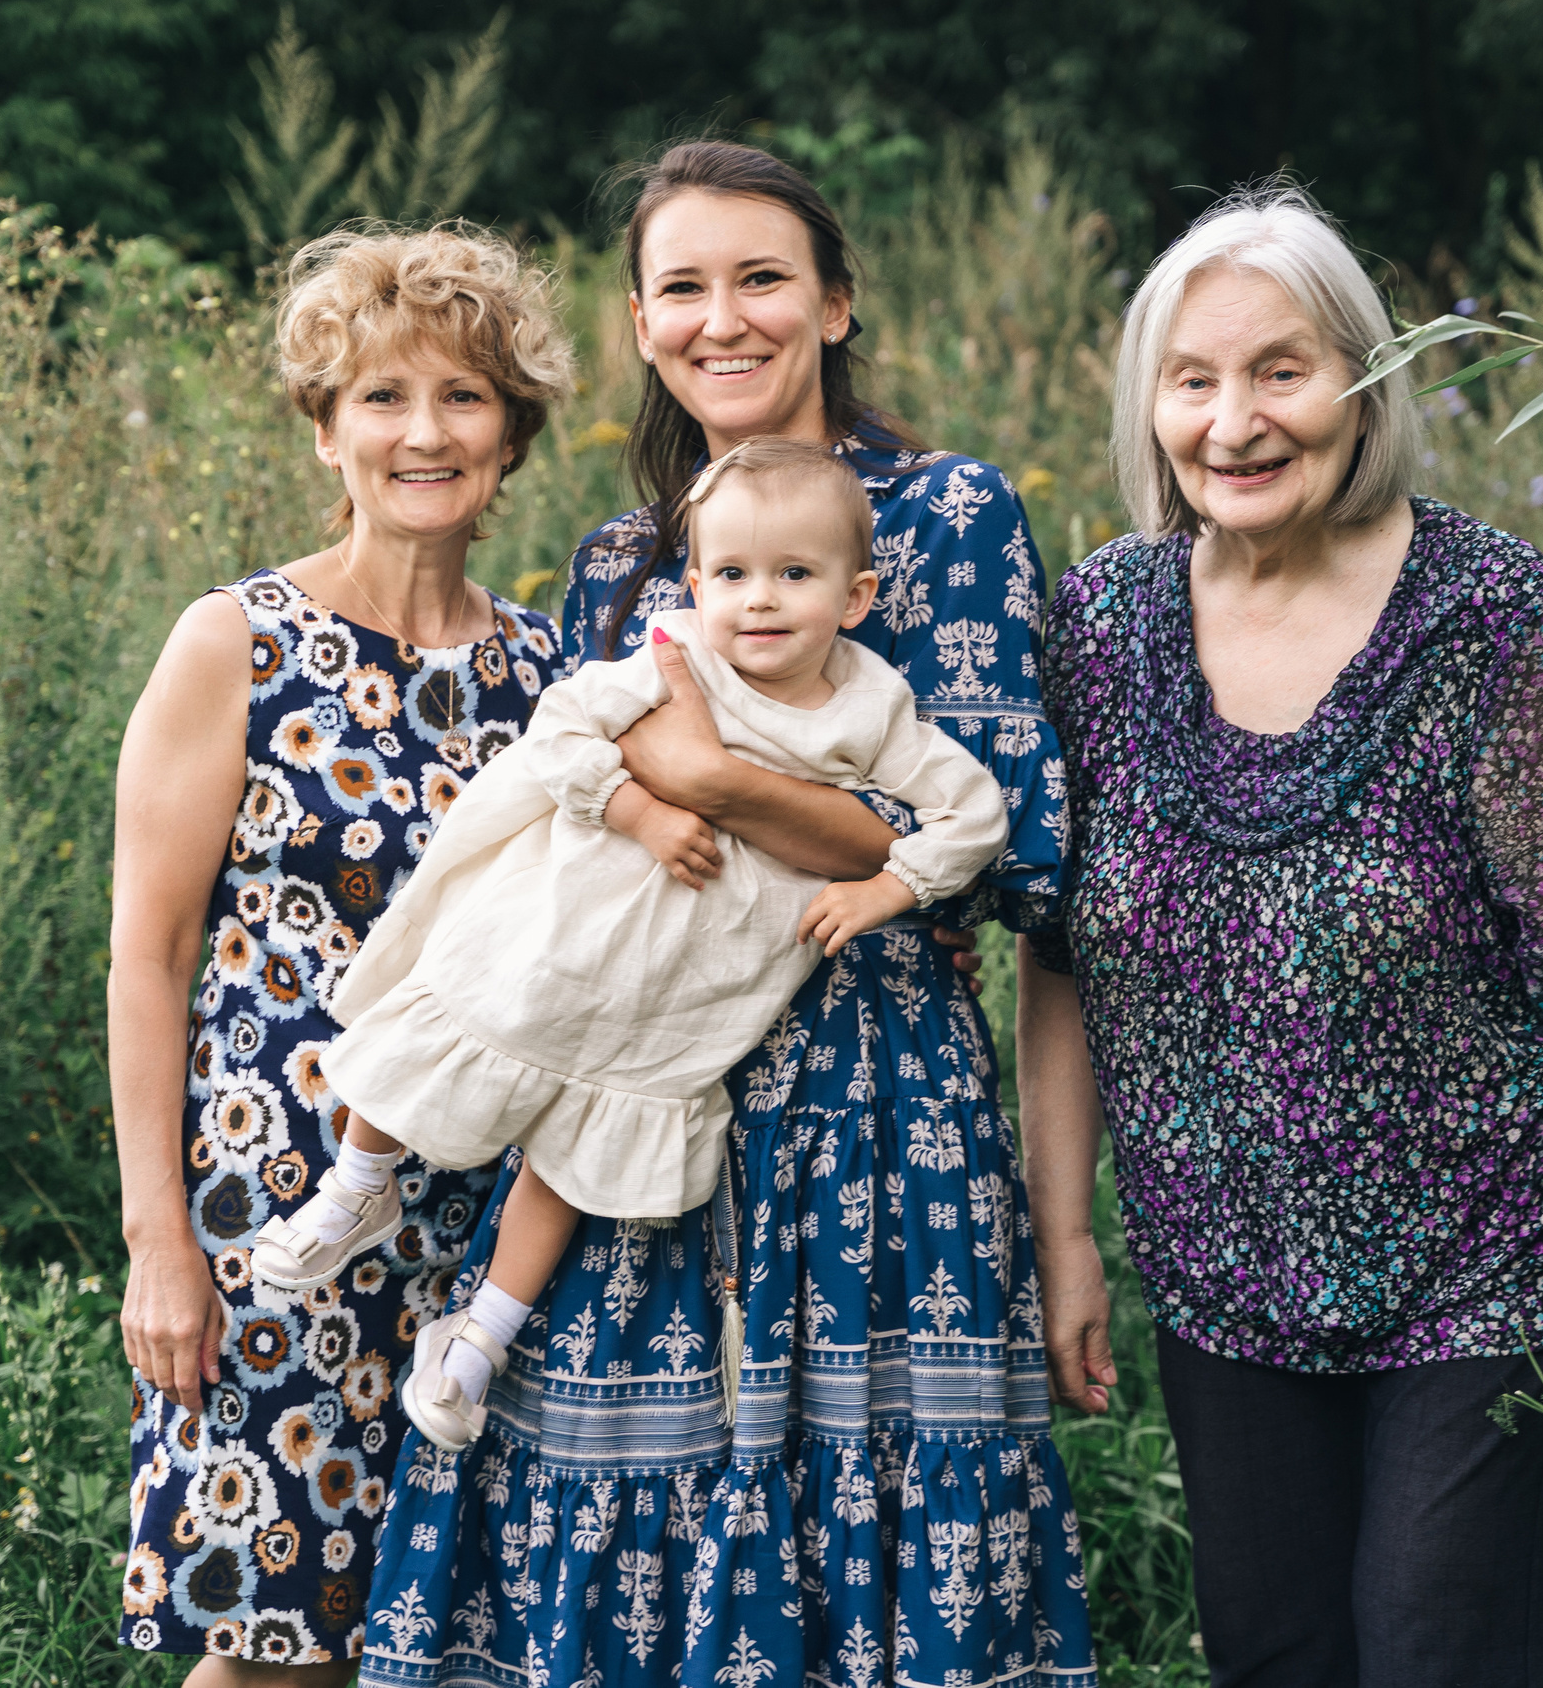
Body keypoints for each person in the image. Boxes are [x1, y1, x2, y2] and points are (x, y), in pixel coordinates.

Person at [358, 141, 1096, 1688]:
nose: (724, 318)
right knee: (622, 1515)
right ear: (640, 323)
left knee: (863, 1528)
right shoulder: (624, 566)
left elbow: (1016, 845)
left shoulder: (943, 516)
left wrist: (714, 776)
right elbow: (571, 816)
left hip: (874, 1109)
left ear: (835, 303)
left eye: (762, 277)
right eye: (682, 286)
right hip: (639, 1083)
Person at [1018, 182, 1543, 1688]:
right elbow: (1062, 955)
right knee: (1277, 1658)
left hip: (1480, 1268)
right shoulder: (1104, 623)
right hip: (1218, 1275)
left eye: (1282, 369)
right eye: (1193, 380)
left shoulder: (1491, 617)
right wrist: (1067, 1232)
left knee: (1431, 1654)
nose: (1235, 421)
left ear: (1364, 383)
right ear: (1150, 406)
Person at [253, 438, 1010, 1458]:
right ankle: (356, 1182)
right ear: (695, 585)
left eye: (796, 575)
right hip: (577, 927)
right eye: (733, 575)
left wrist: (889, 888)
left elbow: (973, 814)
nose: (762, 600)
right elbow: (560, 730)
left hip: (694, 984)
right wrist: (636, 807)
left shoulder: (872, 708)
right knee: (456, 1023)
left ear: (856, 594)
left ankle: (478, 1338)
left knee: (579, 1152)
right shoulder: (674, 655)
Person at [110, 220, 575, 1678]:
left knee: (443, 1636)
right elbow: (149, 951)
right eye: (382, 396)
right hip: (284, 1208)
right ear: (326, 427)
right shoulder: (235, 640)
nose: (422, 432)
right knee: (267, 1637)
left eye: (463, 396)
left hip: (494, 1230)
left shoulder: (556, 672)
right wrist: (159, 1239)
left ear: (511, 436)